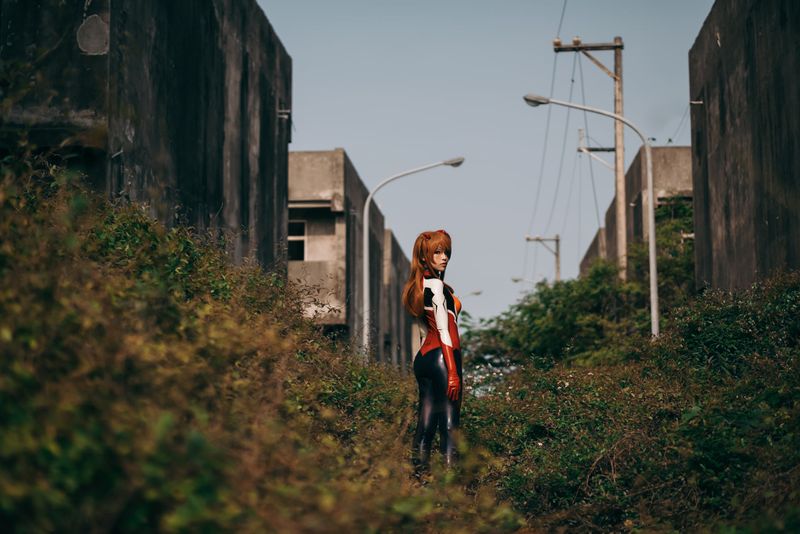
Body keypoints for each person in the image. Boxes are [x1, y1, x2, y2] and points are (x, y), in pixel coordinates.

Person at [402, 229, 463, 468]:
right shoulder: (436, 286)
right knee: (449, 424)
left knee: (425, 424)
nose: (444, 256)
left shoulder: (419, 286)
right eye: (437, 252)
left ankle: (417, 480)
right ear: (425, 256)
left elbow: (422, 330)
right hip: (443, 356)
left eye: (446, 251)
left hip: (424, 359)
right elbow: (444, 330)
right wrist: (453, 372)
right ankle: (450, 491)